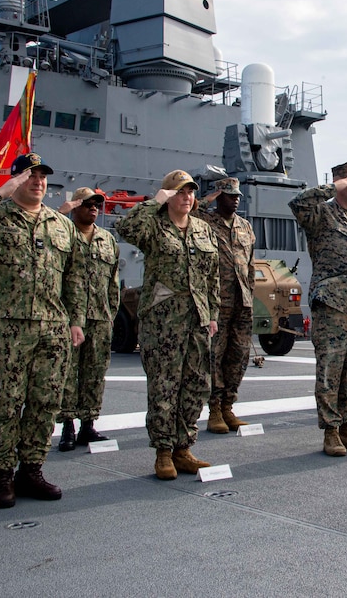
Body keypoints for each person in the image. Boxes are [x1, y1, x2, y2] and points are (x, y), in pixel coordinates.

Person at [0, 153, 86, 509]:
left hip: (52, 328)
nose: (38, 181)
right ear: (16, 180)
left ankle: (32, 469)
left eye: (42, 176)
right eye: (29, 175)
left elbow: (74, 277)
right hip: (8, 327)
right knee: (8, 402)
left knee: (45, 403)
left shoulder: (60, 224)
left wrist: (76, 320)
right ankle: (2, 474)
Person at [117, 169, 220, 479]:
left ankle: (183, 448)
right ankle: (163, 452)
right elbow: (126, 226)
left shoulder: (203, 230)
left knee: (195, 384)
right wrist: (156, 200)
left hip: (196, 321)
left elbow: (211, 275)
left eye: (189, 192)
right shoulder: (153, 227)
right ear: (167, 197)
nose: (186, 197)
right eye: (179, 192)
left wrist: (212, 314)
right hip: (162, 322)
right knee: (164, 386)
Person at [289, 162, 347, 456]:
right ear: (338, 181)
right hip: (333, 304)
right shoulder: (321, 214)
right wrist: (332, 188)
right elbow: (297, 202)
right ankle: (330, 431)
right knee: (330, 368)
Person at [55, 187, 120, 451]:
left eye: (97, 205)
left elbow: (113, 282)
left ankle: (88, 425)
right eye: (88, 204)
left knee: (95, 373)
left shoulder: (107, 239)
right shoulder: (63, 235)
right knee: (68, 373)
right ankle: (67, 426)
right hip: (69, 317)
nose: (93, 208)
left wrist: (111, 313)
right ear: (75, 206)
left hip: (99, 317)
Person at [196, 177, 256, 434]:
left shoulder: (245, 226)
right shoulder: (205, 222)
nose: (236, 199)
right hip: (217, 302)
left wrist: (251, 294)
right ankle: (215, 409)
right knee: (214, 356)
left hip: (242, 301)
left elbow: (250, 263)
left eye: (238, 195)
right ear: (219, 196)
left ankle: (229, 405)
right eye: (230, 195)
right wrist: (207, 198)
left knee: (239, 356)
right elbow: (188, 210)